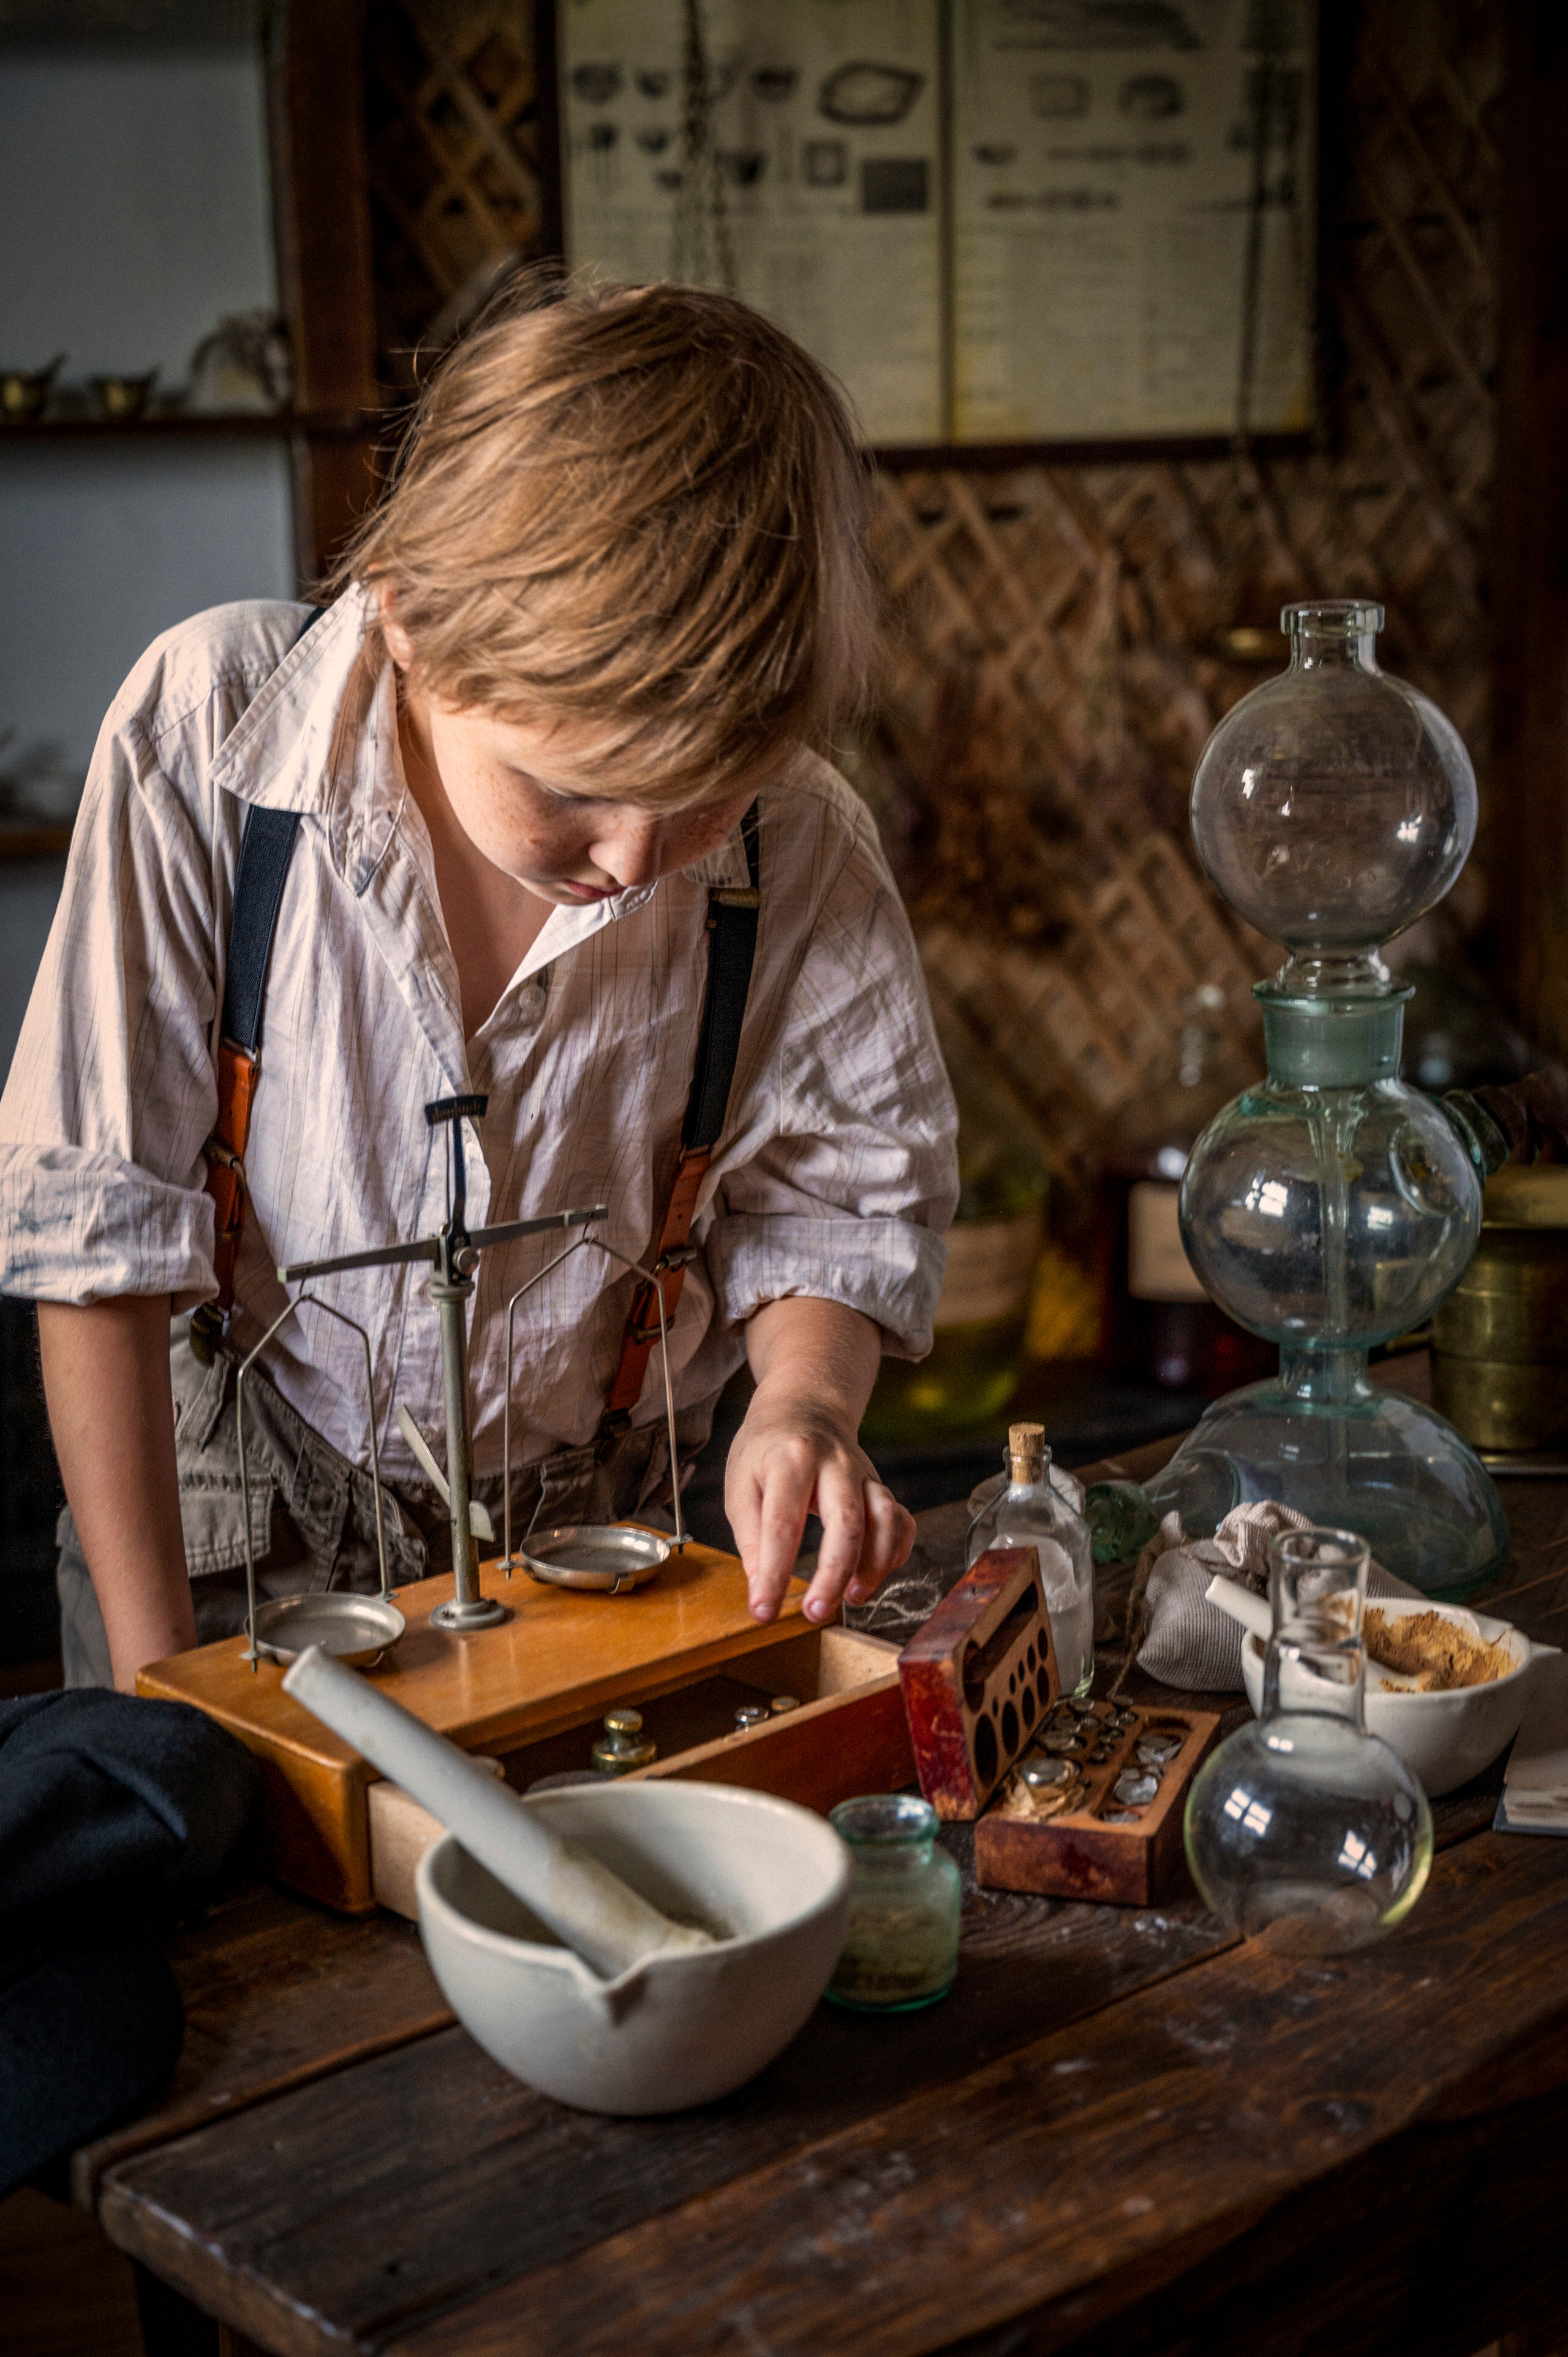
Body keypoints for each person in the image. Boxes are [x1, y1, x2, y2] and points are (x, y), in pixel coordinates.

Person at [0, 276, 958, 1692]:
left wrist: (803, 1402)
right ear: (407, 619)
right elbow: (101, 1240)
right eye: (571, 787)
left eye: (700, 799)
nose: (636, 859)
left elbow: (834, 1192)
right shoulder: (211, 733)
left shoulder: (799, 838)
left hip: (598, 1534)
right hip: (222, 1532)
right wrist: (163, 1698)